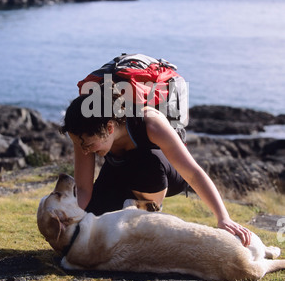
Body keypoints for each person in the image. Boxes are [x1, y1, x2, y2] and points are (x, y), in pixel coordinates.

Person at [60, 87, 252, 246]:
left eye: (88, 145)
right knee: (91, 226)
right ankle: (128, 208)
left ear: (109, 128)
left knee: (146, 160)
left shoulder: (150, 123)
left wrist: (223, 217)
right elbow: (84, 189)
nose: (85, 151)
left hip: (162, 174)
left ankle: (149, 218)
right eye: (79, 144)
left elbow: (193, 173)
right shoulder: (83, 134)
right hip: (123, 173)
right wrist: (72, 221)